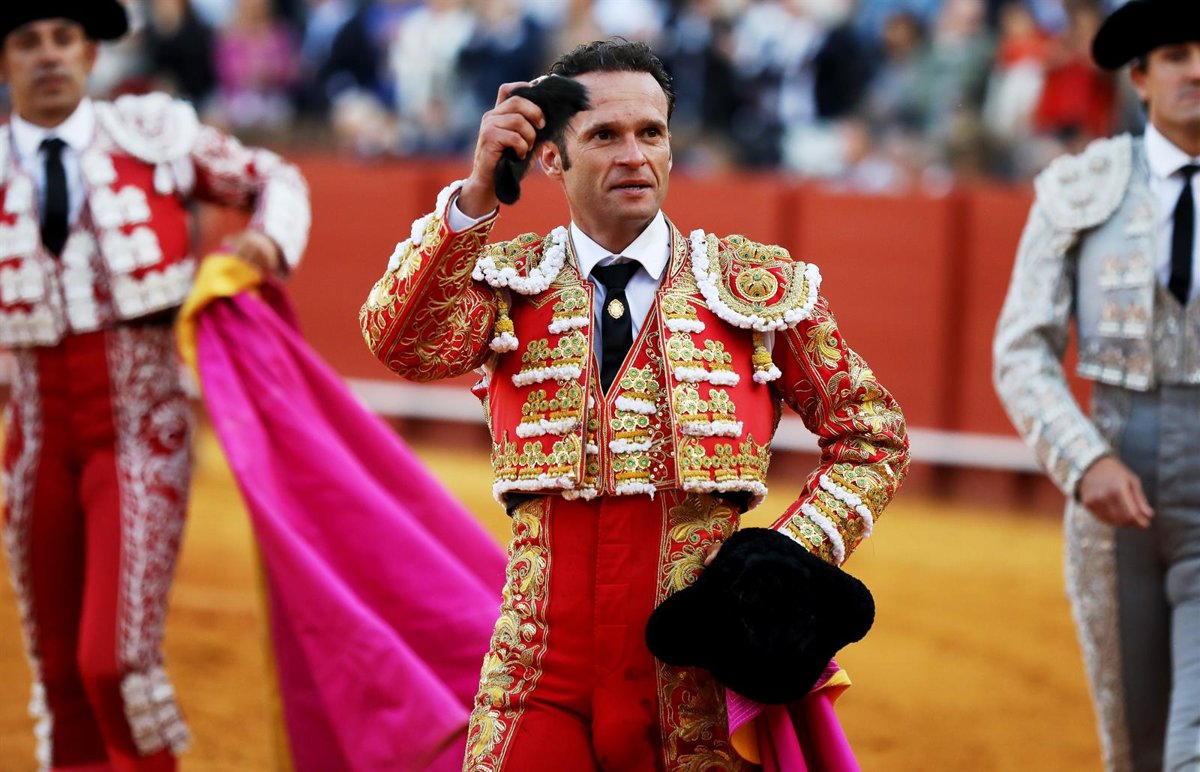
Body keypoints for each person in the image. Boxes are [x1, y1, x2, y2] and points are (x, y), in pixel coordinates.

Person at [361, 39, 907, 769]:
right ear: (551, 157)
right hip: (537, 673)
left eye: (651, 132)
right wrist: (476, 196)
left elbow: (872, 434)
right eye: (604, 135)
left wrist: (789, 555)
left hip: (697, 673)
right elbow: (403, 345)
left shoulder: (751, 286)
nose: (634, 156)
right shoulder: (506, 284)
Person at [0, 3, 310, 770]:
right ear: (4, 61)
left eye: (64, 39)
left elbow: (274, 176)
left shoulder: (152, 134)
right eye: (28, 42)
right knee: (59, 675)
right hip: (32, 447)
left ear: (90, 53)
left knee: (117, 664)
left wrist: (266, 240)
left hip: (140, 434)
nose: (48, 56)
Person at [993, 2, 1200, 770]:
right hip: (1112, 492)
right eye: (1177, 55)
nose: (1198, 71)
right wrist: (1084, 461)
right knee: (1134, 750)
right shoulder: (1081, 187)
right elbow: (1021, 349)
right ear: (1140, 77)